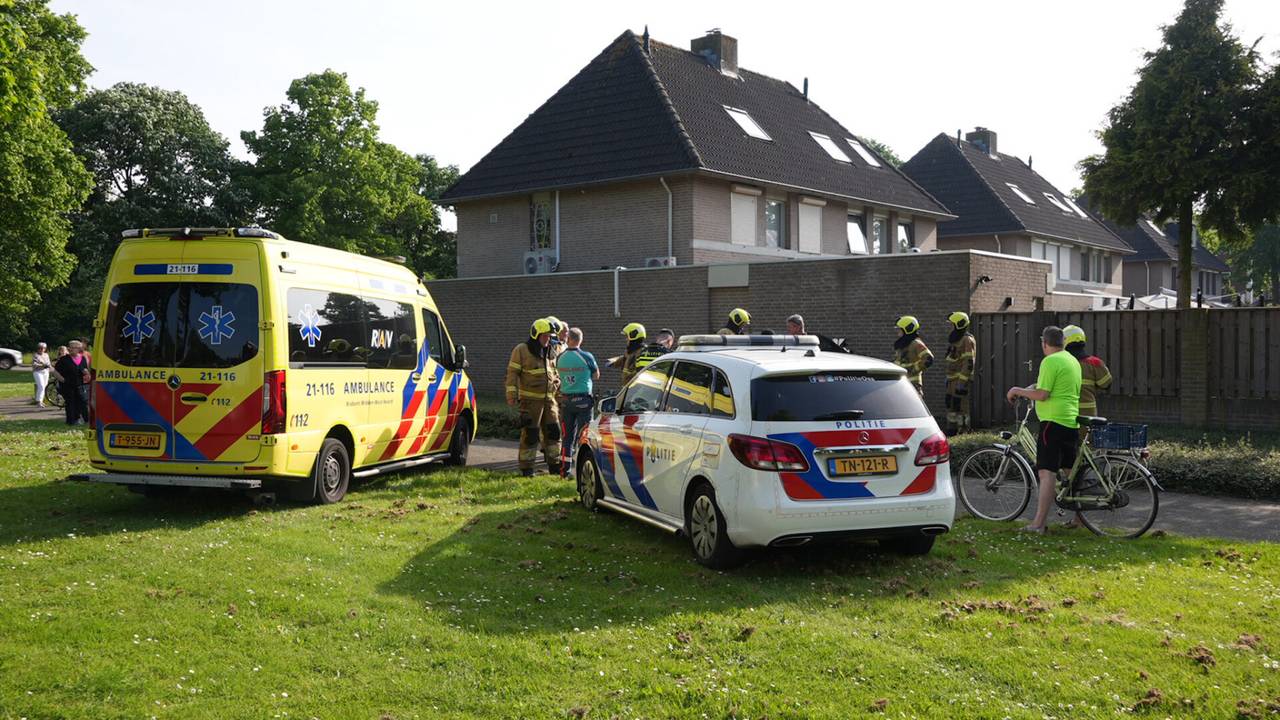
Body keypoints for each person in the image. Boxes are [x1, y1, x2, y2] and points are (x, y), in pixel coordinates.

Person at [1006, 326, 1082, 534]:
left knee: (1046, 473)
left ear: (1044, 343)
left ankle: (1038, 524)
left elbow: (1042, 395)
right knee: (1069, 472)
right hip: (1071, 421)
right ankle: (1079, 519)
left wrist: (1017, 390)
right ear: (1063, 342)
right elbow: (1053, 387)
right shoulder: (1071, 360)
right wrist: (1032, 389)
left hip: (1052, 422)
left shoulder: (1049, 361)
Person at [506, 318, 562, 477]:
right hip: (530, 402)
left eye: (549, 336)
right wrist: (511, 394)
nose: (548, 339)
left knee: (553, 433)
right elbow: (512, 373)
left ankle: (555, 467)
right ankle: (527, 469)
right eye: (545, 336)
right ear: (536, 335)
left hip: (550, 401)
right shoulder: (522, 350)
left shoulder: (551, 350)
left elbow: (554, 372)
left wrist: (558, 386)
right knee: (530, 434)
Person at [557, 327, 600, 475]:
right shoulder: (586, 356)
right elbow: (596, 375)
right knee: (585, 437)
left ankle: (564, 471)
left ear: (568, 339)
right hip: (583, 401)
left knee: (567, 438)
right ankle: (583, 472)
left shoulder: (560, 357)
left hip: (566, 401)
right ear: (580, 340)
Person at [1063, 325, 1112, 420]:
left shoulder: (1059, 363)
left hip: (1065, 412)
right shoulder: (1095, 363)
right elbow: (1106, 384)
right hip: (1088, 414)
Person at [944, 311, 977, 435]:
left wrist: (961, 382)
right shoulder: (956, 339)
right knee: (951, 406)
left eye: (952, 324)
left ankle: (963, 432)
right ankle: (952, 432)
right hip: (951, 380)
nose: (950, 327)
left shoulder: (967, 340)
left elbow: (968, 362)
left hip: (959, 381)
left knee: (961, 408)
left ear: (959, 324)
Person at [893, 316, 934, 399]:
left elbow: (928, 358)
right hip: (902, 382)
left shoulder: (916, 343)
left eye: (900, 330)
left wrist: (913, 369)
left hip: (913, 384)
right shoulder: (903, 345)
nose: (898, 333)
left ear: (907, 329)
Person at [53, 340, 92, 425]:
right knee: (70, 402)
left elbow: (84, 368)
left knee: (81, 401)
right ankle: (71, 421)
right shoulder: (64, 359)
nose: (70, 349)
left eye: (73, 347)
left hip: (79, 384)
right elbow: (55, 371)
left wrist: (87, 373)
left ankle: (83, 419)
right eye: (70, 347)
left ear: (78, 349)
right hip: (67, 384)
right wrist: (62, 379)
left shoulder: (82, 358)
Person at [608, 322, 647, 387]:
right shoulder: (630, 352)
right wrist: (613, 362)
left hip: (635, 389)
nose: (626, 339)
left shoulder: (643, 353)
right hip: (627, 389)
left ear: (633, 335)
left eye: (627, 336)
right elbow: (623, 360)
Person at [31, 342, 52, 407]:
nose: (42, 349)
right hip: (38, 372)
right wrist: (43, 365)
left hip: (45, 372)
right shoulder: (35, 355)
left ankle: (40, 401)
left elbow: (48, 363)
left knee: (44, 386)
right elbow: (34, 364)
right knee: (41, 386)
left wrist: (48, 366)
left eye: (43, 348)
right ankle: (38, 401)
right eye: (40, 348)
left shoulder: (46, 355)